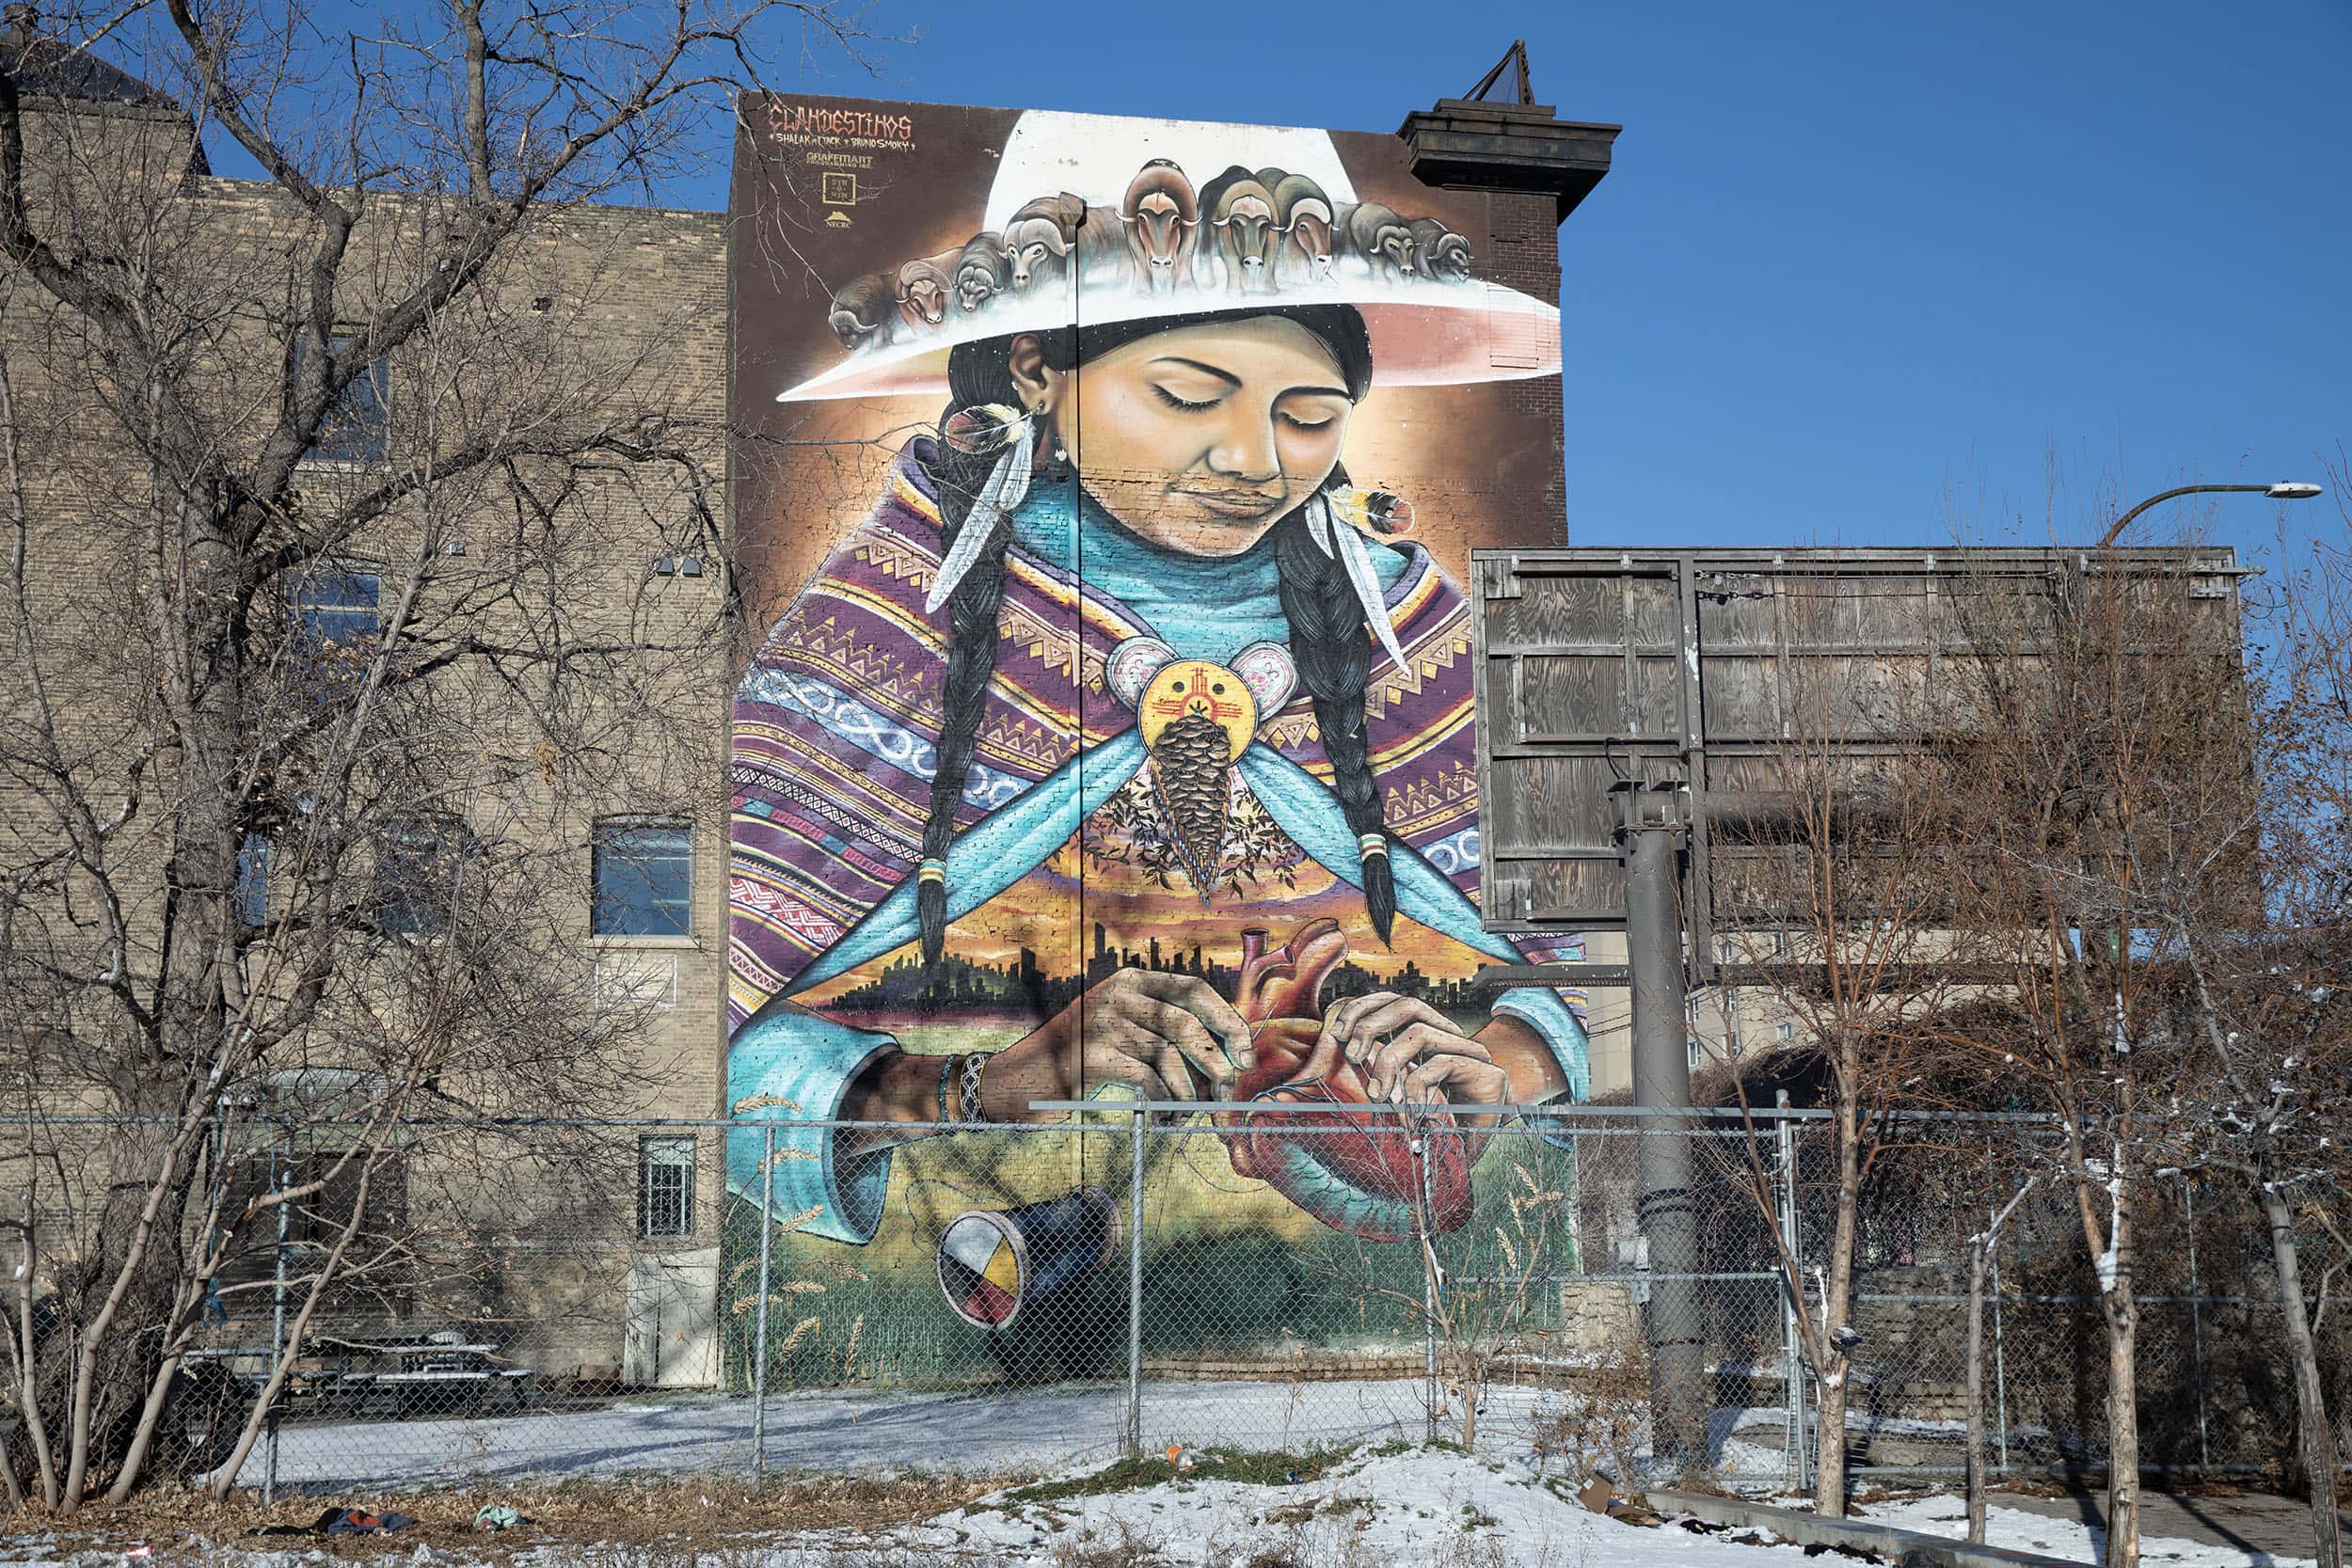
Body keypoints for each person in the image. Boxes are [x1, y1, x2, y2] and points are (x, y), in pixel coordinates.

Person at [727, 301, 1588, 1243]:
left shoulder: (1411, 633)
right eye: (1186, 396)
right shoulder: (888, 615)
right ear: (1035, 374)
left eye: (1307, 416)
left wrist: (1495, 1070)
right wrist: (992, 1084)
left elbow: (1597, 962)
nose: (1253, 460)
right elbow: (718, 1035)